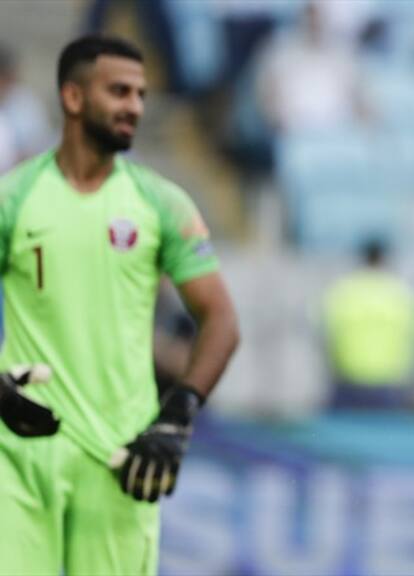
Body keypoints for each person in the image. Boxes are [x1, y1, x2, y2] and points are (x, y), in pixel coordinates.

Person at [0, 35, 239, 575]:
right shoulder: (13, 198)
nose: (134, 105)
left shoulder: (161, 202)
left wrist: (180, 412)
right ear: (74, 97)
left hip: (120, 459)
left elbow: (220, 318)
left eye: (140, 94)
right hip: (18, 452)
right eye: (119, 91)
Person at [322, 238, 414, 409]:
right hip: (392, 385)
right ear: (384, 258)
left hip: (349, 382)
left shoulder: (342, 291)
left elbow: (326, 335)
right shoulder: (403, 294)